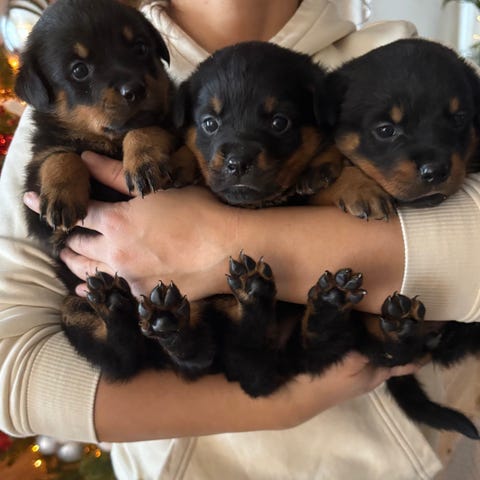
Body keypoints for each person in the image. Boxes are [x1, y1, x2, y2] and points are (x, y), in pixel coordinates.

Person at [1, 0, 480, 478]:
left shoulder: (389, 60)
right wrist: (281, 406)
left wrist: (222, 242)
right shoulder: (70, 112)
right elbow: (11, 373)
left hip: (387, 464)